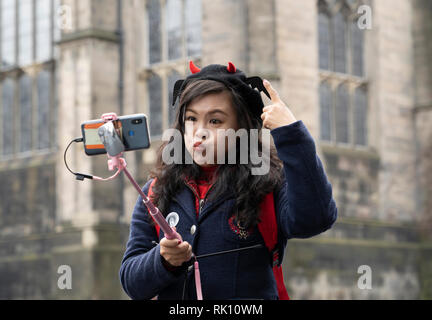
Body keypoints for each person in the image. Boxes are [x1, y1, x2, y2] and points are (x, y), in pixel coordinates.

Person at [119, 61, 338, 300]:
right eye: (191, 119)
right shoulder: (155, 191)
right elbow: (132, 283)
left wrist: (292, 135)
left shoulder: (268, 184)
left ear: (241, 127)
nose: (199, 132)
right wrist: (163, 260)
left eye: (215, 121)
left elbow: (315, 219)